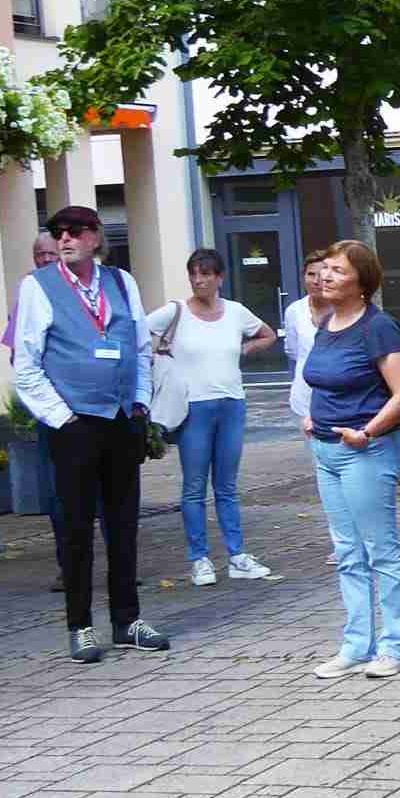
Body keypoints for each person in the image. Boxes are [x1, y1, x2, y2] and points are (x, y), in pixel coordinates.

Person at [11, 204, 169, 664]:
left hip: (121, 417)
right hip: (73, 423)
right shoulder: (38, 286)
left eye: (75, 231)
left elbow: (140, 347)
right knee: (75, 528)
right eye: (58, 232)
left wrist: (140, 403)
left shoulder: (121, 282)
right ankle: (79, 625)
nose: (65, 238)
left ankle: (127, 620)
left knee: (123, 525)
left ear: (96, 238)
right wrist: (63, 418)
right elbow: (26, 366)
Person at [302, 240, 400, 682]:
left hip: (363, 451)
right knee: (347, 552)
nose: (325, 276)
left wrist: (366, 432)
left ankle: (395, 645)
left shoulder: (378, 327)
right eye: (324, 269)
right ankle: (356, 646)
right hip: (326, 450)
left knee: (380, 548)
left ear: (362, 281)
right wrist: (312, 417)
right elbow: (323, 380)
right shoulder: (326, 322)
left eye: (337, 270)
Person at [149, 249, 278, 586]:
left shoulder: (235, 312)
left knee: (227, 486)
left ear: (220, 277)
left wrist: (245, 349)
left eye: (206, 274)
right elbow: (136, 332)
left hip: (232, 404)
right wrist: (158, 355)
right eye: (193, 273)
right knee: (194, 487)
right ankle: (200, 559)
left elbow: (268, 334)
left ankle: (237, 556)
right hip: (193, 407)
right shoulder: (175, 311)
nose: (198, 280)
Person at [4, 231, 66, 590]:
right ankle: (68, 566)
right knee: (57, 493)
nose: (45, 259)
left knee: (105, 493)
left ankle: (120, 566)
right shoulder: (30, 293)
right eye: (39, 254)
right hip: (52, 411)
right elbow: (18, 354)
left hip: (94, 406)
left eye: (50, 253)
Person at [282, 252, 331, 435]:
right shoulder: (294, 311)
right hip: (305, 397)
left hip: (340, 397)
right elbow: (293, 350)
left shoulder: (345, 308)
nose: (316, 281)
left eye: (322, 274)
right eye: (311, 274)